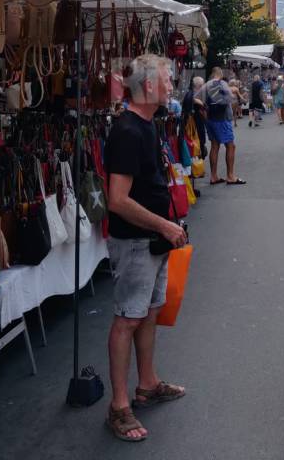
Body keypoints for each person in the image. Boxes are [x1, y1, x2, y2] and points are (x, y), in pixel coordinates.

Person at [103, 54, 189, 443]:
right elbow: (117, 200)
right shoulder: (126, 131)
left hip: (153, 240)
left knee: (150, 312)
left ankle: (147, 384)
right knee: (128, 319)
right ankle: (119, 406)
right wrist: (164, 224)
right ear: (149, 86)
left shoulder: (147, 125)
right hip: (136, 241)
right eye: (167, 79)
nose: (172, 85)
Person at [203, 67, 246, 185]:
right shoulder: (220, 84)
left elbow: (198, 100)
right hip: (221, 119)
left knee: (215, 146)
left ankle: (213, 176)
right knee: (231, 146)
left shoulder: (206, 85)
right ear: (220, 75)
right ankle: (230, 176)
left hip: (211, 119)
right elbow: (231, 94)